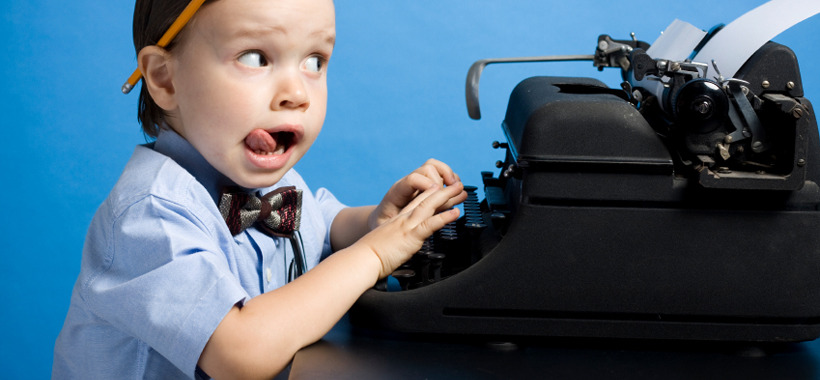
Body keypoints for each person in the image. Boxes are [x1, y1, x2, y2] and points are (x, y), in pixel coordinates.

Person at [52, 0, 467, 378]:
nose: (296, 94)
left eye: (315, 61)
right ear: (165, 79)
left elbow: (319, 221)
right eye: (256, 58)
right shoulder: (149, 216)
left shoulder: (271, 181)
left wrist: (376, 222)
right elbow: (241, 351)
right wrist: (375, 253)